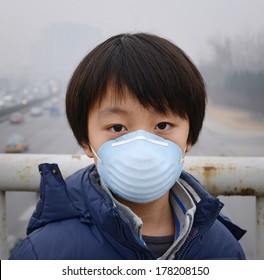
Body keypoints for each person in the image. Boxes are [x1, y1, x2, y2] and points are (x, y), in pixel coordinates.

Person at [9, 32, 246, 260]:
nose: (141, 148)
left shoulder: (223, 249)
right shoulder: (43, 255)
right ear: (86, 141)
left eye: (162, 125)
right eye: (118, 128)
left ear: (189, 138)